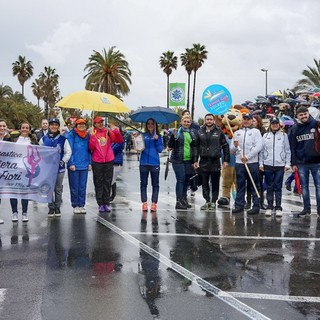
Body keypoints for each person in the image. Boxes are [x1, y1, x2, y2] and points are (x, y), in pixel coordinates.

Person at [193, 113, 230, 211]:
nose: (209, 121)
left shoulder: (219, 132)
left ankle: (213, 201)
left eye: (210, 119)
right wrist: (195, 160)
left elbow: (225, 146)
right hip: (203, 161)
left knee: (215, 183)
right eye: (207, 119)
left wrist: (226, 160)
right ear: (205, 120)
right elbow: (196, 147)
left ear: (213, 120)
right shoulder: (200, 131)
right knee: (204, 183)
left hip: (215, 161)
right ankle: (207, 201)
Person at [289, 106, 320, 216]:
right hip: (301, 162)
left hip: (317, 161)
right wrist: (293, 163)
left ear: (308, 114)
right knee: (304, 187)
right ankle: (306, 209)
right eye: (301, 115)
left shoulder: (316, 124)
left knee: (318, 186)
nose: (303, 116)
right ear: (297, 116)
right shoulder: (294, 129)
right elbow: (292, 147)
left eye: (305, 114)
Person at [89, 116, 123, 213]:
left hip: (109, 160)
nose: (100, 124)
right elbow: (91, 147)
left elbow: (119, 140)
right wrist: (92, 137)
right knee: (98, 183)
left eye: (102, 122)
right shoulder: (93, 133)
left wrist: (115, 130)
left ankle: (106, 203)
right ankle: (100, 203)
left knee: (107, 183)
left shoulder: (107, 132)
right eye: (98, 122)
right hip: (97, 161)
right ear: (94, 124)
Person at [230, 113, 262, 215]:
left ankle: (256, 206)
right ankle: (239, 205)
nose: (246, 121)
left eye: (248, 119)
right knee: (240, 184)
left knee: (254, 184)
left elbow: (258, 146)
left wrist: (247, 157)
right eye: (244, 119)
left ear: (252, 120)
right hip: (239, 163)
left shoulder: (256, 132)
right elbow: (232, 150)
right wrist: (235, 146)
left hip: (252, 163)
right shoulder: (236, 133)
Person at [39, 118, 72, 217]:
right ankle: (51, 207)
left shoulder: (63, 139)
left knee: (58, 188)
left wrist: (63, 161)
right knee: (49, 188)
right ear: (49, 126)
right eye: (52, 124)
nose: (54, 126)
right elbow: (39, 151)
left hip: (59, 168)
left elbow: (68, 152)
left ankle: (57, 207)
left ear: (58, 126)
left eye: (56, 125)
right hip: (48, 168)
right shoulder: (44, 139)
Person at [259, 117, 291, 217]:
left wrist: (287, 163)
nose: (275, 125)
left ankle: (278, 207)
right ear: (270, 124)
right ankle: (269, 206)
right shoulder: (265, 135)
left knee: (278, 187)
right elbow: (262, 151)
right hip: (268, 164)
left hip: (280, 165)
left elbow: (287, 150)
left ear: (279, 124)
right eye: (273, 123)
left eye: (276, 123)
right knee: (269, 186)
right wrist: (261, 163)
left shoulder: (283, 135)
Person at [10, 122, 38, 222]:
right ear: (20, 128)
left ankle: (25, 213)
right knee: (13, 191)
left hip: (27, 169)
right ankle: (14, 213)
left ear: (29, 129)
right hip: (14, 168)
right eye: (23, 127)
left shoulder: (33, 139)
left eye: (27, 128)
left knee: (24, 192)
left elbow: (39, 151)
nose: (25, 129)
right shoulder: (14, 138)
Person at [168, 115, 196, 209]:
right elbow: (170, 145)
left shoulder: (191, 133)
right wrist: (173, 136)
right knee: (181, 179)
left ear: (190, 123)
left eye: (188, 122)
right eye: (185, 121)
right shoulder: (177, 132)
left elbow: (194, 146)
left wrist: (195, 160)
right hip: (177, 159)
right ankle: (178, 201)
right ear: (181, 122)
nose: (186, 123)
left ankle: (184, 199)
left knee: (186, 180)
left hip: (188, 160)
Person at [139, 118, 163, 225]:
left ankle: (154, 203)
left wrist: (157, 140)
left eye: (152, 124)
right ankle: (144, 202)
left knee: (155, 184)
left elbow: (160, 150)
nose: (150, 125)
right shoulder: (142, 135)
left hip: (155, 163)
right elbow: (138, 148)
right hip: (144, 163)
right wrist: (136, 140)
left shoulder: (159, 136)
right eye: (148, 124)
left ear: (155, 125)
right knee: (143, 184)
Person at [67, 118, 91, 214]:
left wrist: (90, 163)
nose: (82, 126)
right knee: (74, 186)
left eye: (83, 124)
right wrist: (71, 163)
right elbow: (69, 150)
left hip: (84, 165)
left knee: (82, 186)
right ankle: (75, 205)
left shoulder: (88, 136)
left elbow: (90, 150)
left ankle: (82, 205)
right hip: (74, 165)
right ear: (76, 125)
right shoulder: (71, 135)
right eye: (79, 124)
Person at [0, 119, 12, 224]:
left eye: (4, 126)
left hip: (5, 169)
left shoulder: (9, 139)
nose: (2, 128)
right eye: (0, 126)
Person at [110, 127, 125, 202]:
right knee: (112, 179)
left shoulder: (120, 141)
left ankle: (112, 194)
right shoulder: (113, 140)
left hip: (117, 162)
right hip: (112, 162)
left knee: (112, 179)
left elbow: (112, 150)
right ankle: (112, 194)